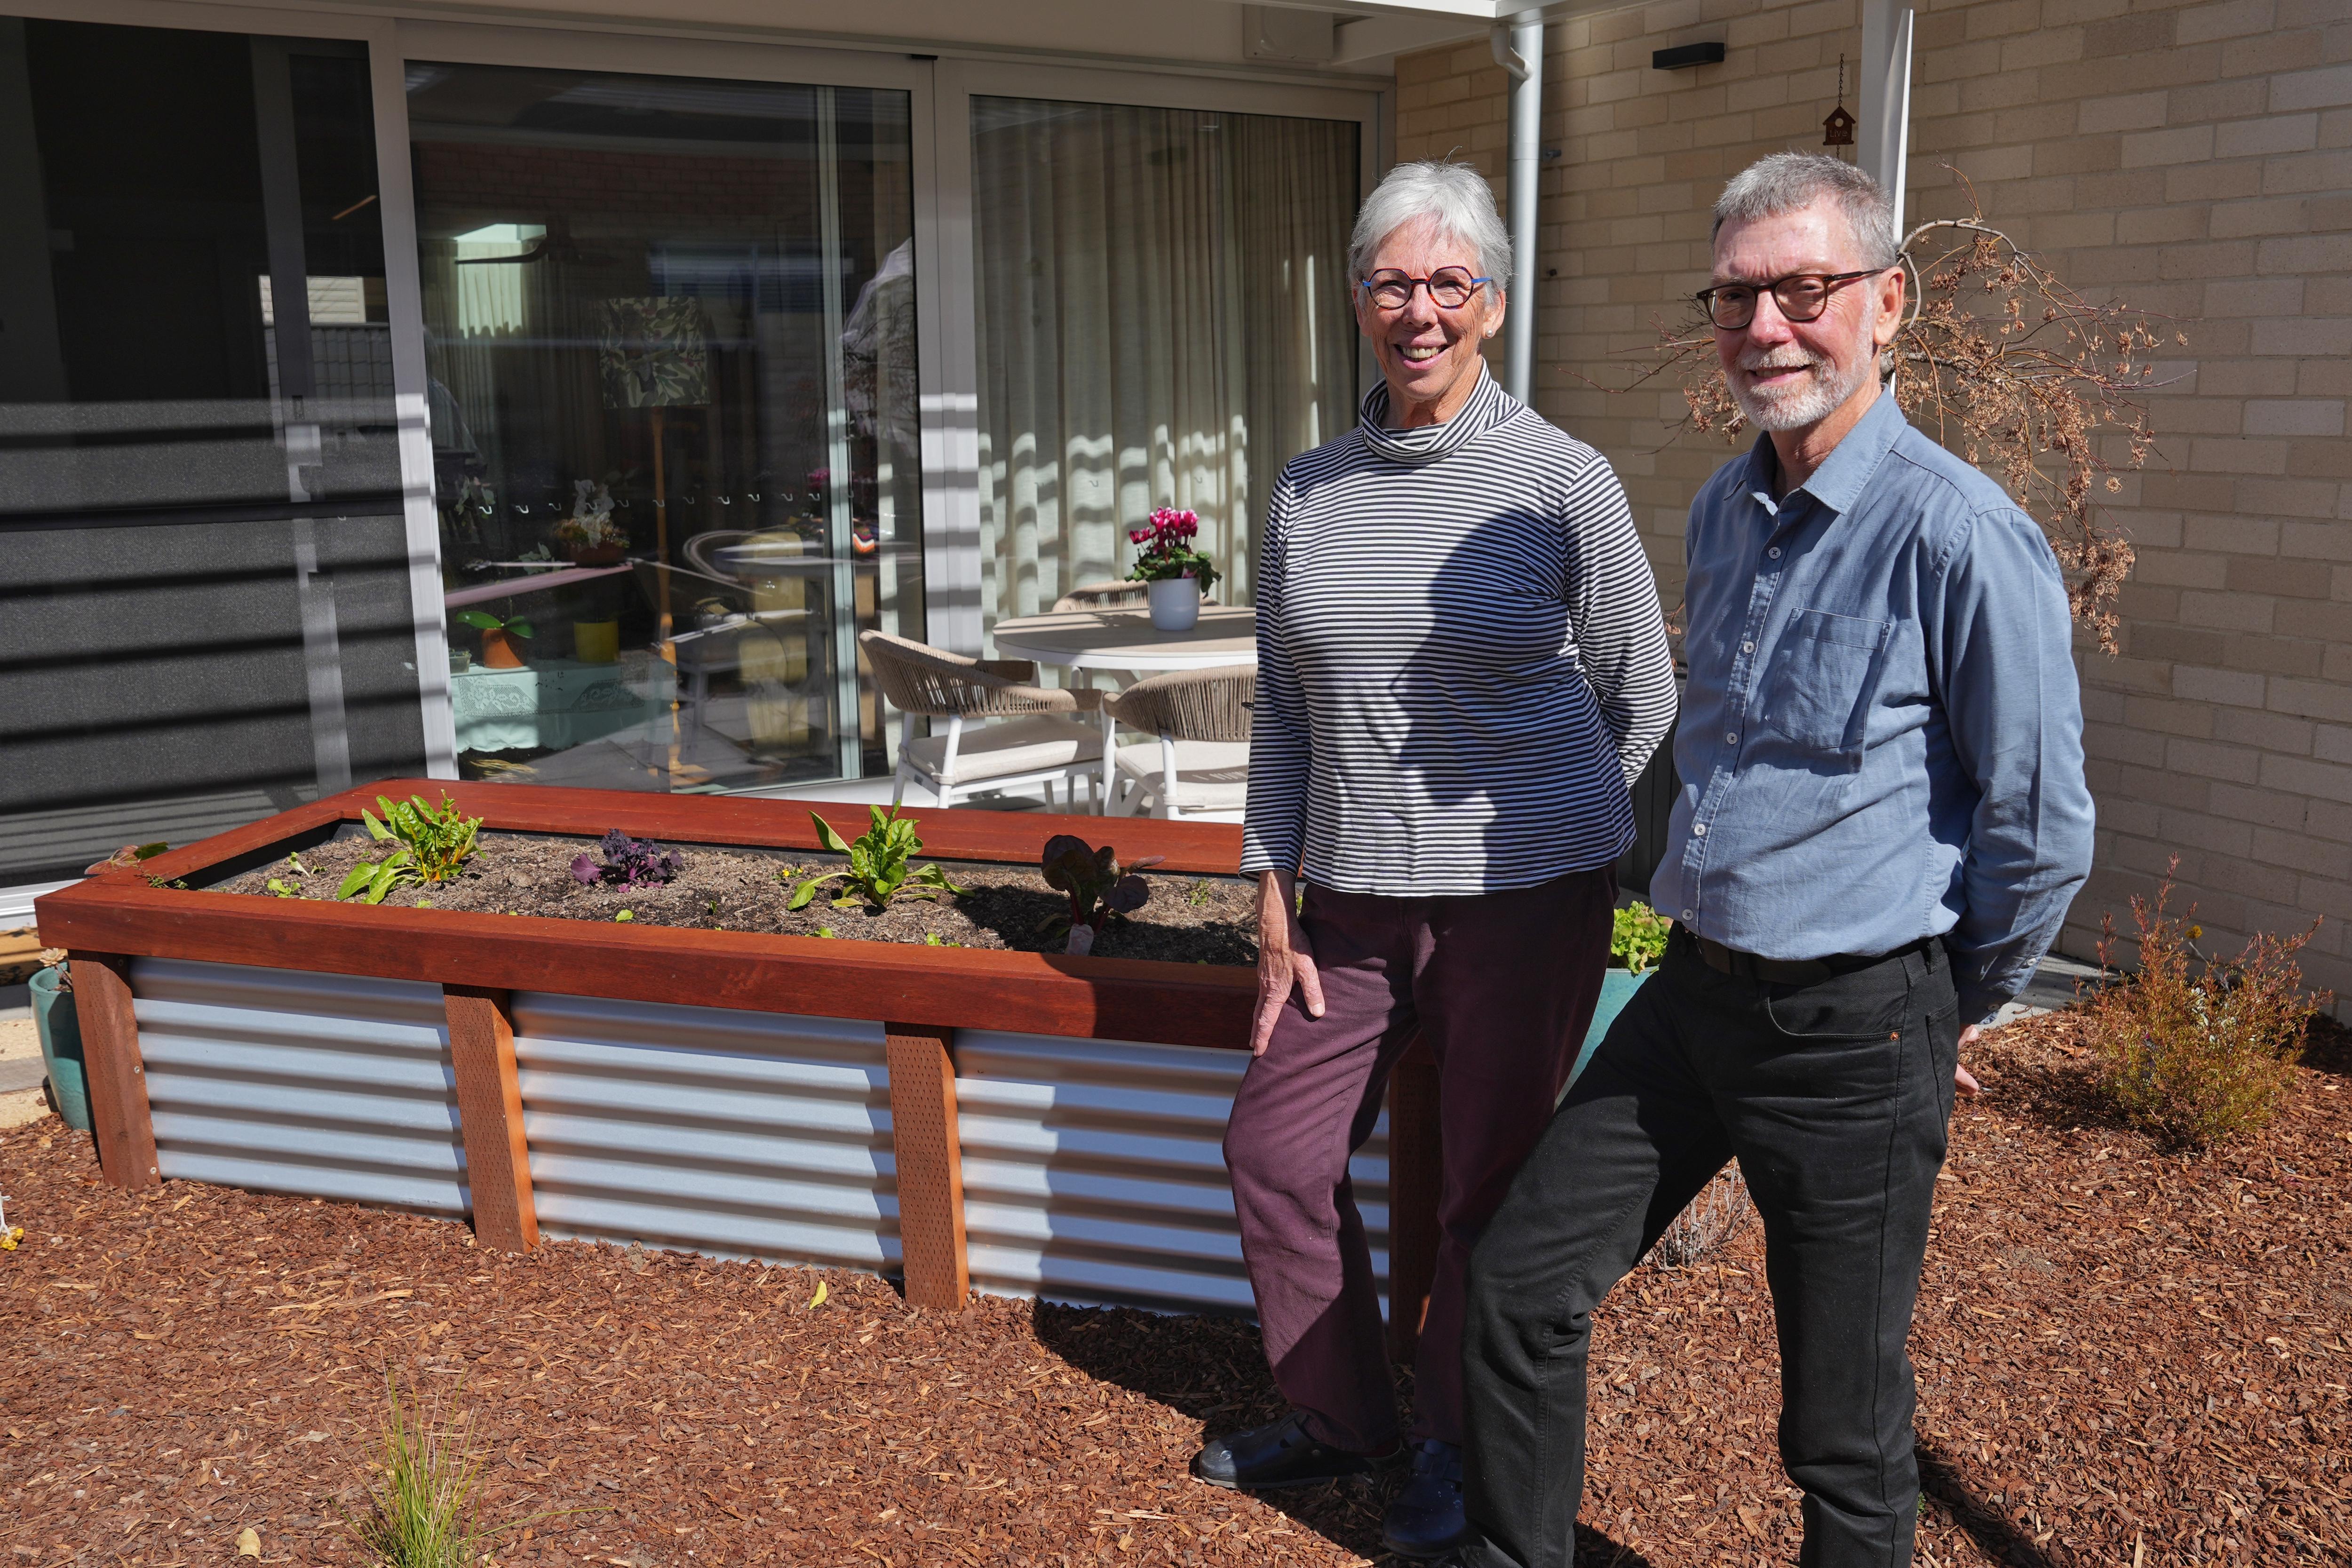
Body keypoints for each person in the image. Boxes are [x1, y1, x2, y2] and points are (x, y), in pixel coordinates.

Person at [1457, 152, 2096, 1568]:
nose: (1767, 326)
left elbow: (2041, 829)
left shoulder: (1964, 537)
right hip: (1695, 1000)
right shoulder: (1723, 511)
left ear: (1888, 304)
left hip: (1856, 1030)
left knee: (1845, 1434)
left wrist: (1941, 1001)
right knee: (1520, 1287)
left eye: (1805, 289)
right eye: (1739, 295)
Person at [1192, 160, 1677, 1561]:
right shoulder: (1309, 492)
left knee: (1485, 1192)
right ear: (1358, 301)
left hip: (1525, 905)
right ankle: (1347, 1419)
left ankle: (1465, 1452)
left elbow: (1638, 693)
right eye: (1392, 282)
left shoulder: (1559, 481)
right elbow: (1283, 703)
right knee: (1272, 1152)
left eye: (1446, 283)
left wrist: (1537, 825)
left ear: (1493, 303)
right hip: (1346, 908)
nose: (1419, 310)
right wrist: (1273, 898)